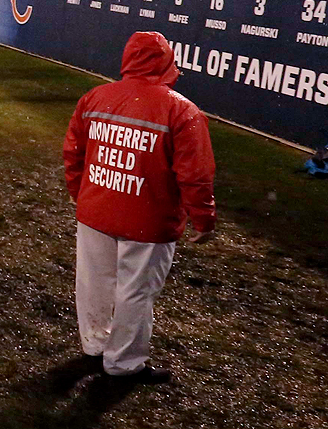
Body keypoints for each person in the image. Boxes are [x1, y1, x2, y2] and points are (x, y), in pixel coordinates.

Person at [60, 31, 216, 387]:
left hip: (97, 209)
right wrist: (203, 218)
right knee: (136, 291)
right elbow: (196, 174)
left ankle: (95, 344)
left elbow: (74, 152)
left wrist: (76, 191)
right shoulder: (180, 109)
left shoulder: (95, 97)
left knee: (93, 282)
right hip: (148, 217)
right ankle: (124, 363)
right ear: (166, 61)